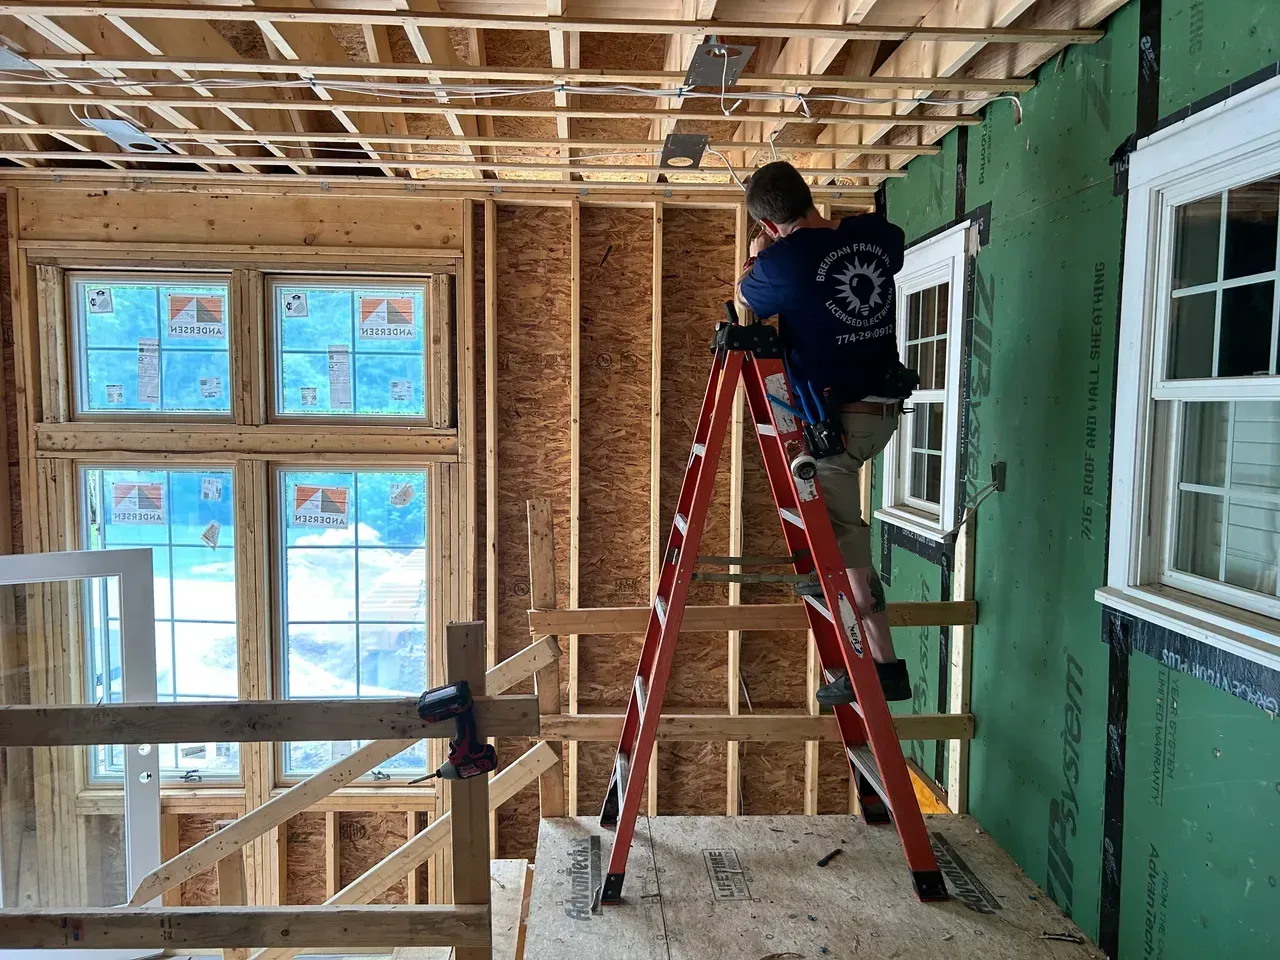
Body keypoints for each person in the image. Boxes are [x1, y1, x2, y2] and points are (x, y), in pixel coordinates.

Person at [734, 160, 913, 705]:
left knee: (842, 544)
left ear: (767, 226)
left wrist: (761, 258)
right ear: (809, 196)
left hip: (843, 424)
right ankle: (878, 658)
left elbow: (745, 296)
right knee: (836, 535)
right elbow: (882, 237)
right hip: (880, 409)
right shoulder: (875, 237)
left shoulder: (782, 264)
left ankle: (883, 668)